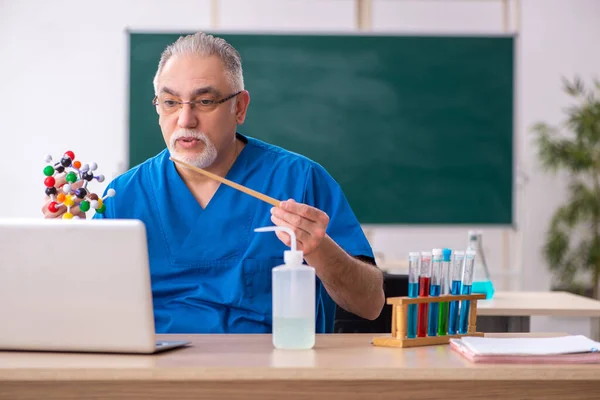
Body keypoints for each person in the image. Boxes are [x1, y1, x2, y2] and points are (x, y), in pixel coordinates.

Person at [42, 32, 385, 334]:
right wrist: (64, 249)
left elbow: (370, 305)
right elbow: (86, 311)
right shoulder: (124, 194)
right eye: (171, 102)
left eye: (205, 101)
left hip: (272, 375)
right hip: (154, 376)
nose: (185, 119)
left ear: (239, 107)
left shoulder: (298, 179)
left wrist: (320, 251)